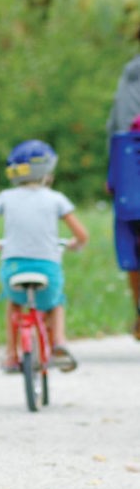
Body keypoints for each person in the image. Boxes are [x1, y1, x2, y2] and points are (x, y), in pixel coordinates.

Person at [0, 139, 89, 373]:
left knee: (14, 303)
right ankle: (59, 343)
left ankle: (11, 354)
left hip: (13, 268)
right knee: (56, 303)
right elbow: (82, 235)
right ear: (46, 171)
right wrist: (76, 244)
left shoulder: (5, 197)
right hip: (48, 268)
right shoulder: (56, 199)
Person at [107, 115, 140, 337]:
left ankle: (138, 312)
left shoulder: (131, 133)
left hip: (132, 210)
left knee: (133, 261)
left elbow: (112, 185)